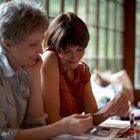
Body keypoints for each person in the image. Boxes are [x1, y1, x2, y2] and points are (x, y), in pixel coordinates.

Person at [0, 1, 93, 140]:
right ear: (8, 44)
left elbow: (35, 126)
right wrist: (61, 127)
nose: (40, 50)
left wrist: (35, 75)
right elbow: (3, 136)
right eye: (33, 44)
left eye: (40, 42)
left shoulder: (25, 70)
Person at [41, 12, 130, 125]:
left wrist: (113, 105)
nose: (75, 57)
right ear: (53, 46)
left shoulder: (81, 70)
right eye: (66, 50)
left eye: (80, 49)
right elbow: (51, 120)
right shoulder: (49, 58)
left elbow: (93, 117)